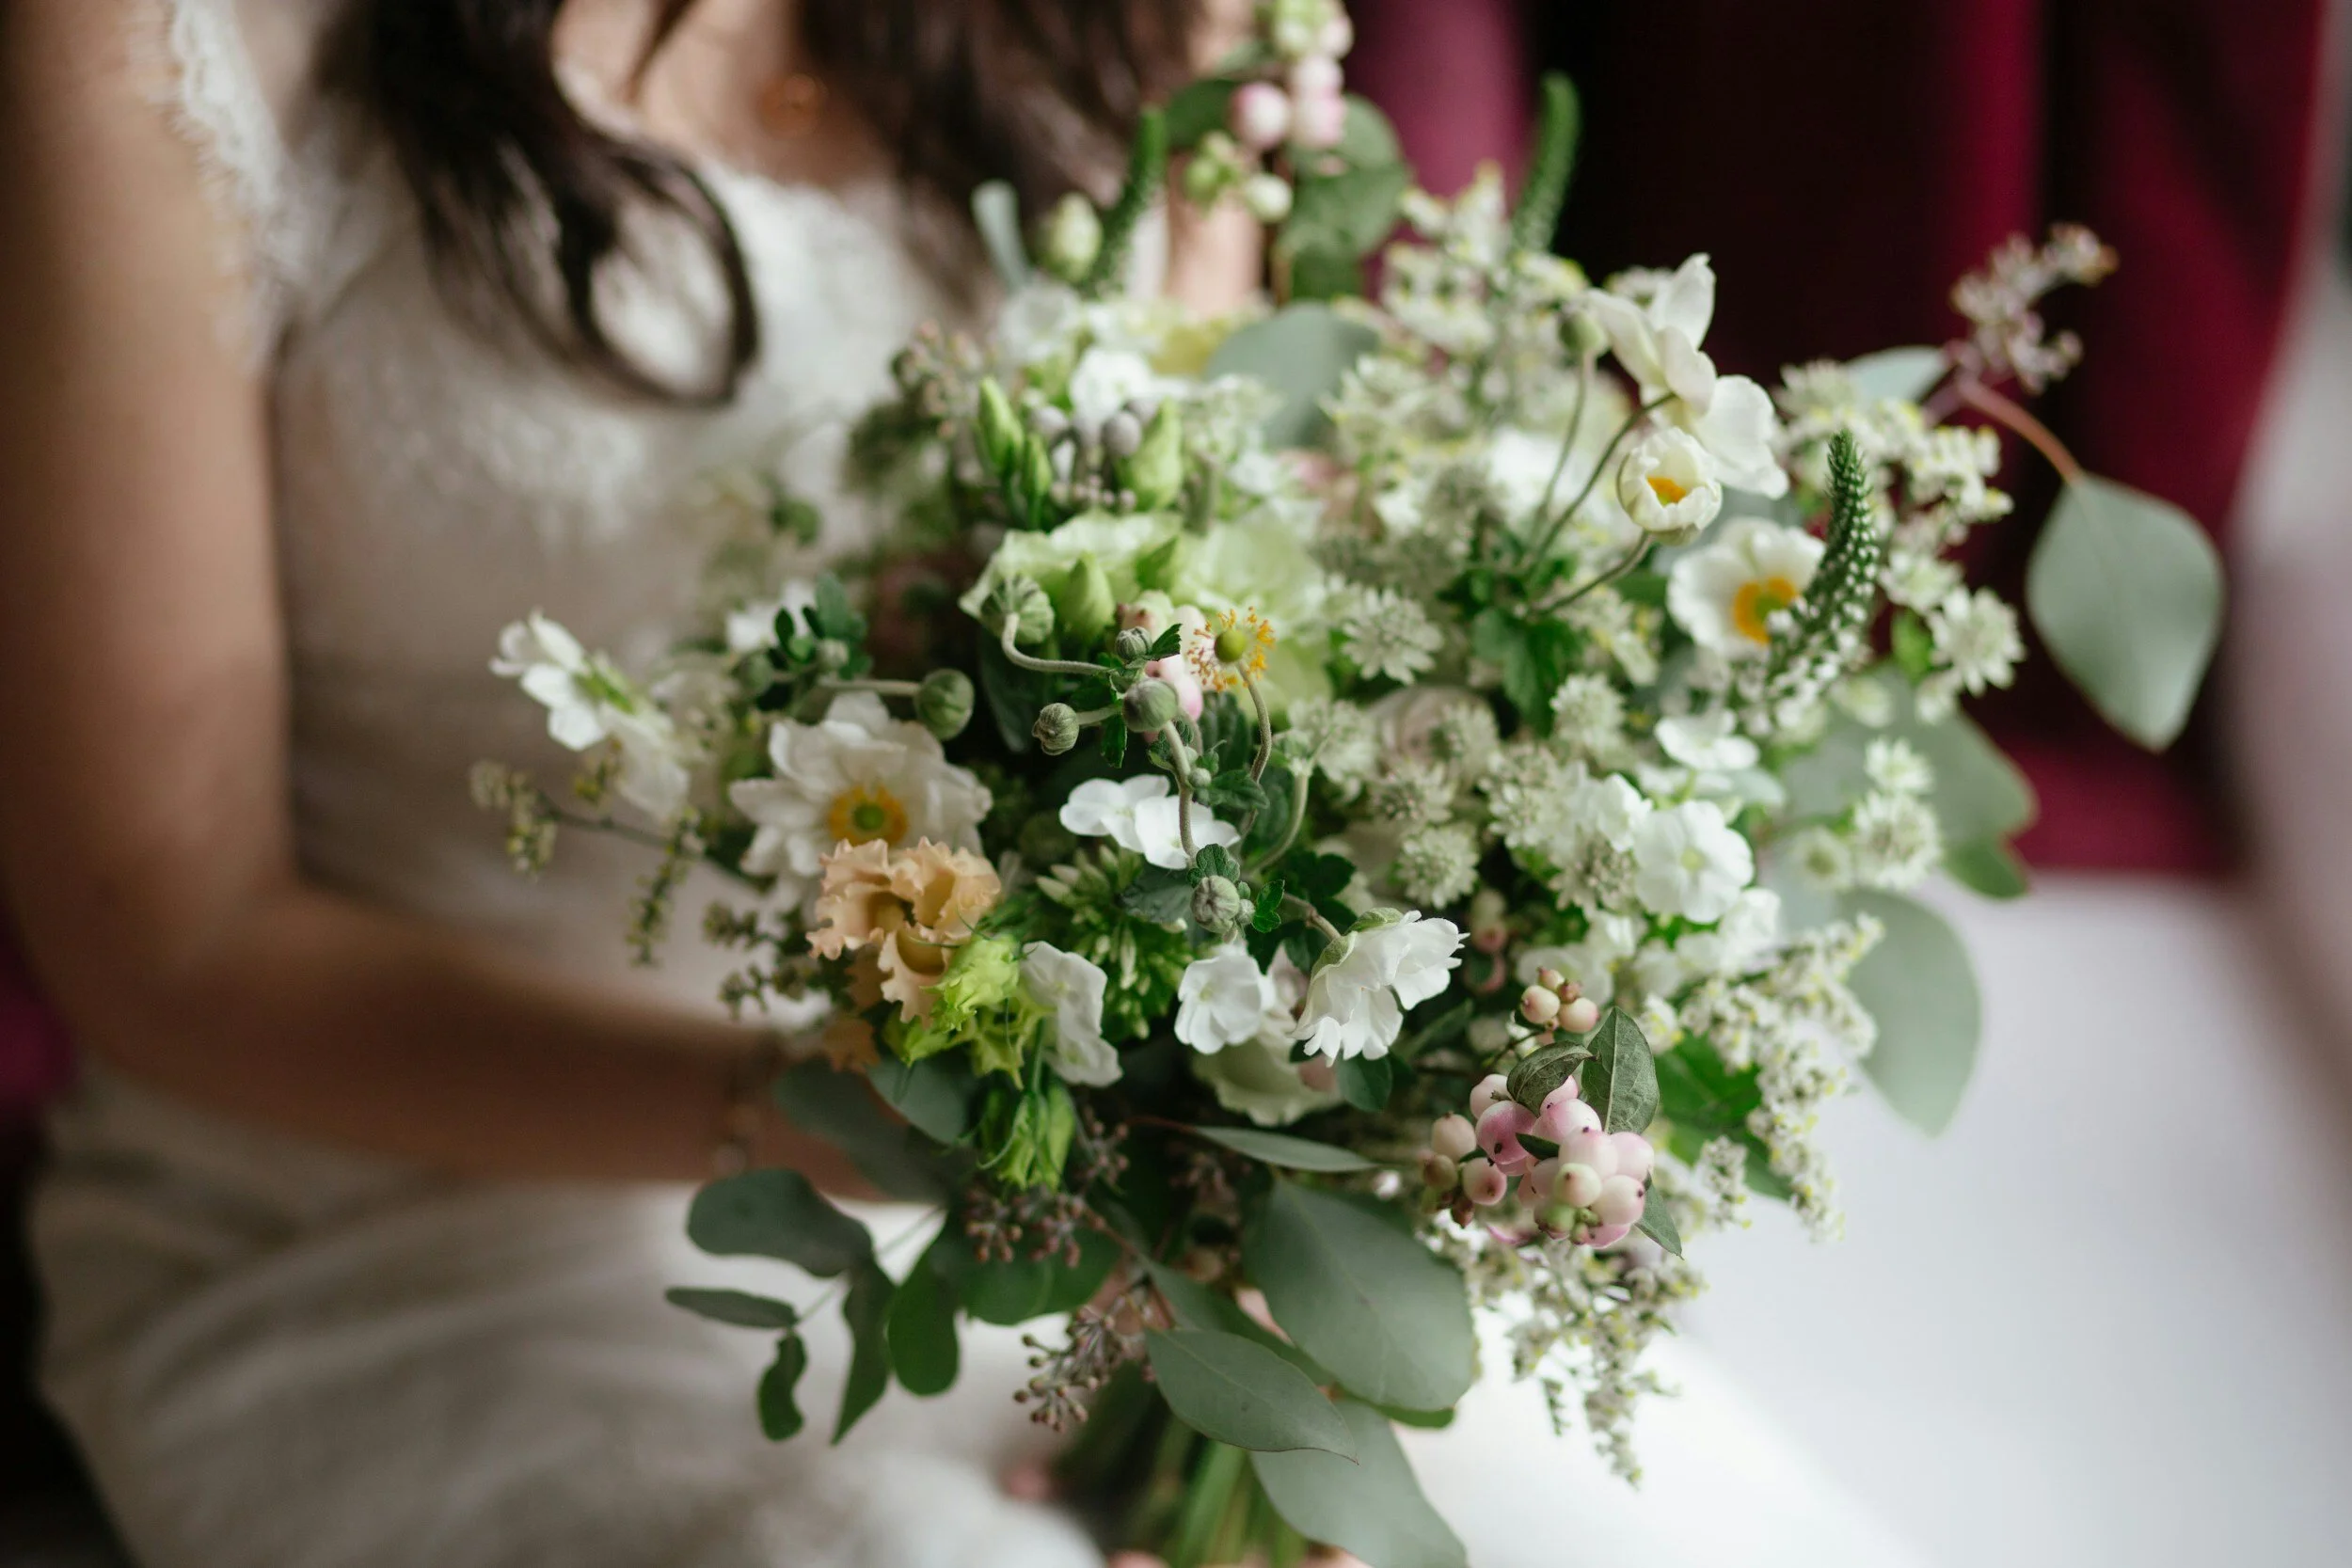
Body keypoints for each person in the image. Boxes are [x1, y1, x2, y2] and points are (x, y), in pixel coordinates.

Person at [0, 3, 1926, 1564]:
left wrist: (1287, 1129)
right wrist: (827, 1117)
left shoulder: (1152, 31)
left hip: (1048, 1184)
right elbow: (165, 934)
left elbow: (1228, 611)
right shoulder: (154, 48)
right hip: (391, 1213)